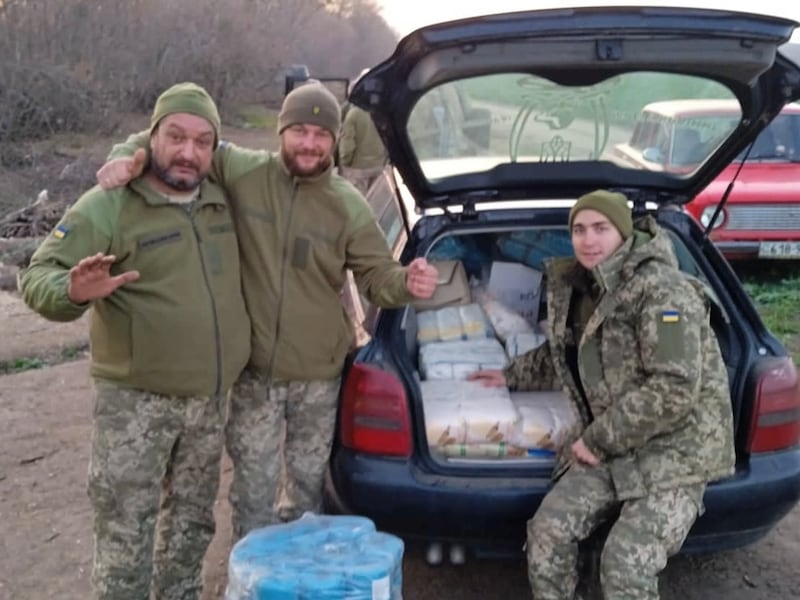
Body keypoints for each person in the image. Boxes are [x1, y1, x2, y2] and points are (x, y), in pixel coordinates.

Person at [96, 81, 439, 541]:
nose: (310, 143)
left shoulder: (348, 205)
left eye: (321, 134)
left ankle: (293, 578)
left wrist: (407, 284)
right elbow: (178, 138)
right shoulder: (242, 171)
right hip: (254, 374)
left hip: (319, 377)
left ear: (335, 141)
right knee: (252, 493)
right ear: (281, 132)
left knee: (305, 495)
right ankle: (253, 579)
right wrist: (128, 156)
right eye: (299, 131)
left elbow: (377, 276)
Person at [19, 82, 250, 600]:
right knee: (126, 536)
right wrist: (72, 291)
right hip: (135, 406)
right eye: (175, 136)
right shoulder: (112, 203)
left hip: (208, 403)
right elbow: (37, 275)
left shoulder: (221, 197)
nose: (188, 152)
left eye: (201, 141)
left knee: (191, 530)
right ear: (152, 138)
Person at [468, 189, 735, 600]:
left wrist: (597, 439)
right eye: (579, 230)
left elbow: (674, 387)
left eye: (600, 229)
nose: (588, 240)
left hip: (674, 453)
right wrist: (509, 376)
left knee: (625, 563)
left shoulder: (665, 293)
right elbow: (566, 353)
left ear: (624, 234)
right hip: (613, 450)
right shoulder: (584, 287)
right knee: (547, 532)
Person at [337, 71, 389, 195]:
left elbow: (347, 146)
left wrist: (344, 164)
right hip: (379, 167)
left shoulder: (354, 114)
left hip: (357, 170)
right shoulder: (384, 112)